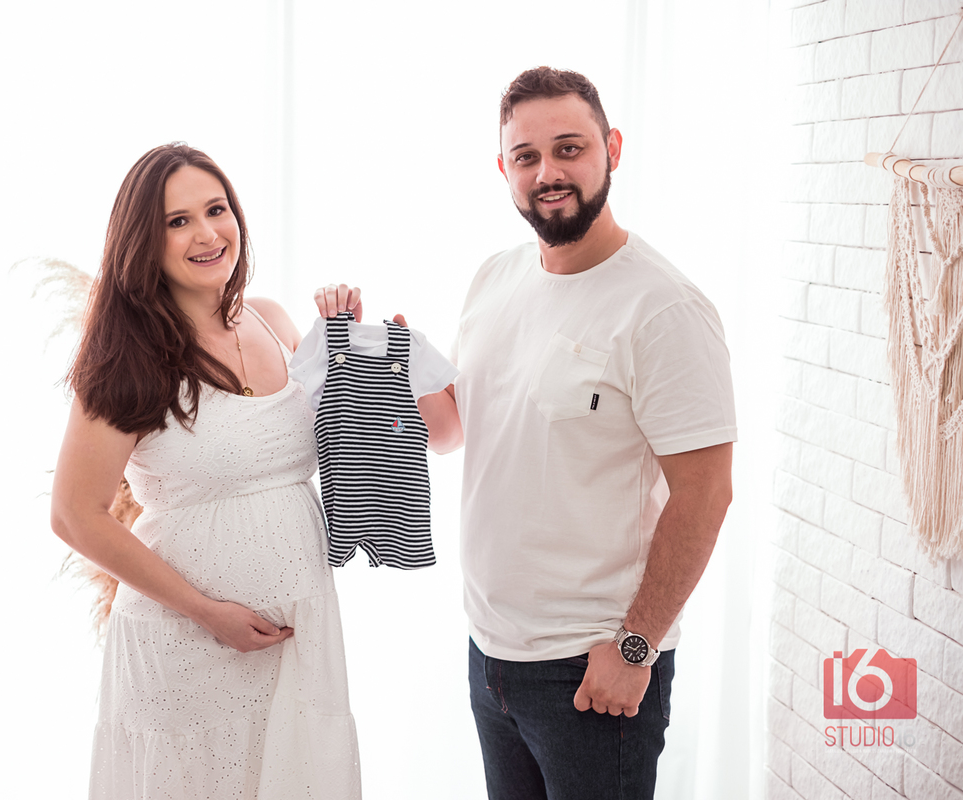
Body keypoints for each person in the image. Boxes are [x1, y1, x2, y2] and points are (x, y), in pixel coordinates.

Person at [322, 66, 737, 798]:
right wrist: (378, 361)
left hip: (592, 667)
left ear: (612, 148)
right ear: (504, 169)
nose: (548, 173)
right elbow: (451, 429)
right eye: (527, 156)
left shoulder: (663, 308)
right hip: (491, 655)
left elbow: (706, 494)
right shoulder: (495, 277)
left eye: (569, 148)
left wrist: (634, 649)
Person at [50, 143, 361, 800]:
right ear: (144, 241)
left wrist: (351, 346)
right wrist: (205, 611)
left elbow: (349, 452)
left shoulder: (274, 321)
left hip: (297, 638)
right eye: (177, 221)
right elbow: (74, 514)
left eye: (217, 210)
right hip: (182, 648)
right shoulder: (127, 356)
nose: (207, 233)